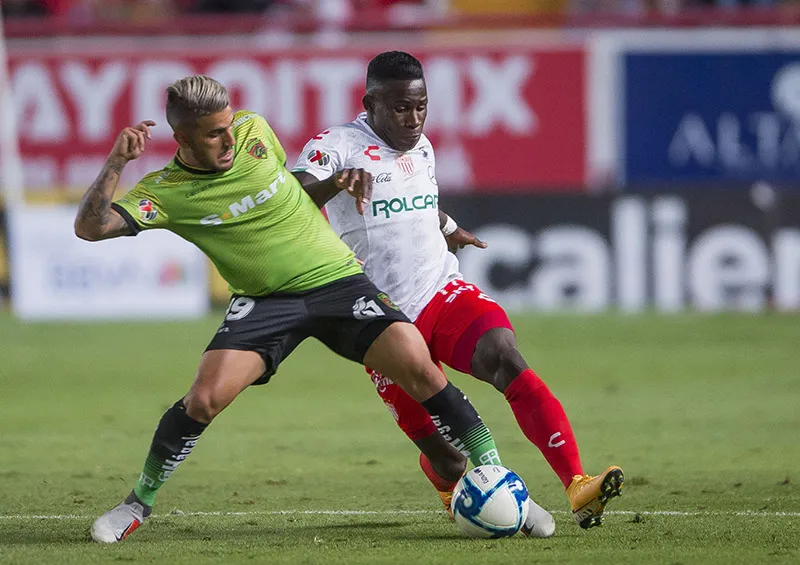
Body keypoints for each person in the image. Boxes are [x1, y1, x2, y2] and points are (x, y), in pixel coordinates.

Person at [75, 75, 506, 543]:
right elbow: (91, 227)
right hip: (266, 302)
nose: (228, 139)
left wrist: (335, 183)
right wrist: (117, 161)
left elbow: (295, 199)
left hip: (336, 279)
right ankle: (137, 502)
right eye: (213, 134)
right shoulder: (165, 191)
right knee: (203, 399)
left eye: (228, 126)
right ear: (182, 139)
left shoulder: (254, 131)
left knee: (420, 367)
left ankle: (501, 482)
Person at [292, 51, 624, 530]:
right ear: (370, 103)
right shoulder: (336, 145)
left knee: (504, 355)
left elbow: (420, 205)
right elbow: (292, 192)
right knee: (449, 459)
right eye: (401, 109)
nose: (413, 119)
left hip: (439, 289)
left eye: (421, 106)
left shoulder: (422, 147)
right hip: (378, 318)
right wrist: (335, 182)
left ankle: (578, 484)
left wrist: (449, 226)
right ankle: (454, 489)